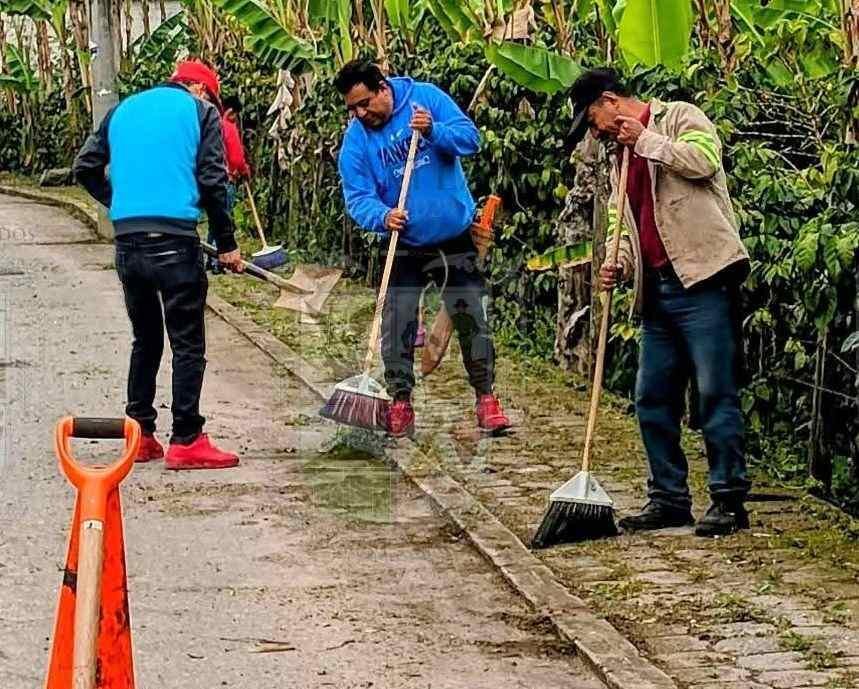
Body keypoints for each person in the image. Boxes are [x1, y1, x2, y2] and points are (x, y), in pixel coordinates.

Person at [569, 68, 751, 537]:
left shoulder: (680, 118)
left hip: (704, 279)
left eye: (594, 120)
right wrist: (620, 264)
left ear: (611, 101)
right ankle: (669, 499)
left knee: (714, 393)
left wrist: (647, 139)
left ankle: (728, 501)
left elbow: (705, 161)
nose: (596, 132)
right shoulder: (617, 160)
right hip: (658, 291)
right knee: (651, 398)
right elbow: (623, 224)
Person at [73, 59, 244, 470]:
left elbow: (84, 168)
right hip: (174, 242)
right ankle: (186, 438)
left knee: (145, 337)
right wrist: (227, 245)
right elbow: (213, 180)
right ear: (201, 90)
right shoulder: (200, 112)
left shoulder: (123, 110)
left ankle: (141, 434)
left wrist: (122, 205)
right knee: (187, 341)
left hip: (128, 242)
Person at [334, 60, 511, 438]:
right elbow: (357, 196)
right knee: (397, 323)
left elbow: (470, 138)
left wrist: (432, 130)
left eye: (365, 104)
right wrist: (382, 216)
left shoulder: (425, 99)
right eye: (352, 108)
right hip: (404, 242)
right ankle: (400, 402)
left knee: (470, 317)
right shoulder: (356, 141)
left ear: (382, 87)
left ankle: (486, 398)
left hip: (453, 233)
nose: (361, 114)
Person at [207, 94, 251, 273]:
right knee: (223, 221)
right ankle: (218, 262)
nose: (236, 119)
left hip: (214, 180)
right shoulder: (228, 126)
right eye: (235, 115)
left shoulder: (212, 124)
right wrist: (244, 169)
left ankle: (209, 259)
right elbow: (236, 157)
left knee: (214, 221)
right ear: (231, 112)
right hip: (227, 180)